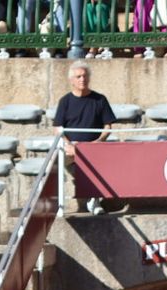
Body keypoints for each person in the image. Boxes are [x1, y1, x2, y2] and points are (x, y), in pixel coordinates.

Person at [54, 61, 116, 214]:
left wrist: (98, 142)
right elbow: (58, 128)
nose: (82, 79)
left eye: (85, 76)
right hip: (71, 147)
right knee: (54, 165)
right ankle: (56, 203)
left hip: (94, 147)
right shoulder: (65, 101)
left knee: (96, 165)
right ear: (72, 80)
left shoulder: (100, 99)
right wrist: (69, 145)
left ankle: (94, 201)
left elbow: (108, 127)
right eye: (79, 76)